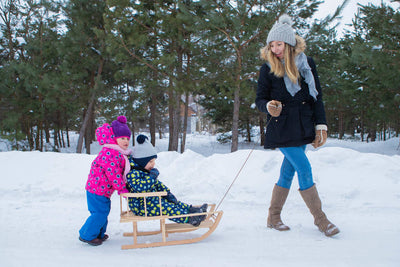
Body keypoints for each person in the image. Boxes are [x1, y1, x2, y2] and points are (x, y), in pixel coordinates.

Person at [255, 14, 339, 237]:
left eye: (279, 44)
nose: (275, 49)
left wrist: (321, 125)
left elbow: (317, 97)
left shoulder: (307, 64)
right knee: (304, 168)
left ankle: (273, 217)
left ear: (289, 43)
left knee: (288, 172)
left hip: (303, 125)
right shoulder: (268, 69)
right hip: (281, 127)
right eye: (271, 45)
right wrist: (269, 106)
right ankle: (321, 220)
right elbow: (260, 100)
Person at [126, 134, 207, 226]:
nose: (153, 164)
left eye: (154, 161)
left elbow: (157, 184)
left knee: (173, 202)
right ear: (141, 162)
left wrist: (167, 193)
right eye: (150, 162)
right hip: (141, 206)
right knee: (168, 208)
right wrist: (152, 177)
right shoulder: (133, 174)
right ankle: (191, 218)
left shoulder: (144, 171)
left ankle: (191, 210)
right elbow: (141, 188)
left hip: (151, 201)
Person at [79, 116, 132, 246]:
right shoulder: (111, 153)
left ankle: (98, 234)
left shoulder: (117, 152)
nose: (125, 141)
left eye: (127, 138)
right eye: (122, 138)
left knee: (103, 212)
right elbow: (113, 173)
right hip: (97, 189)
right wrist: (121, 188)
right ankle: (86, 235)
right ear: (114, 138)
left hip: (102, 190)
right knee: (99, 213)